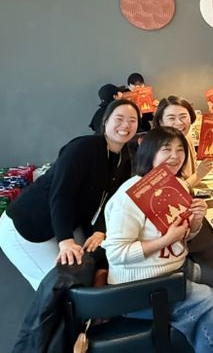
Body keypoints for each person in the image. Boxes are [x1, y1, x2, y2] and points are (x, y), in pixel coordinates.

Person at [102, 127, 213, 352]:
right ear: (149, 152)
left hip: (176, 269)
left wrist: (196, 221)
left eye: (180, 150)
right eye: (166, 149)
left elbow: (183, 237)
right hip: (141, 285)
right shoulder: (129, 195)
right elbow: (116, 253)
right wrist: (165, 240)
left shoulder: (175, 184)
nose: (175, 156)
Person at [0, 99, 140, 289]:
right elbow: (61, 194)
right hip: (27, 226)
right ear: (106, 121)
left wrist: (99, 231)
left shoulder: (125, 159)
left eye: (132, 120)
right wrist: (65, 241)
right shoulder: (84, 147)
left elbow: (111, 201)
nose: (125, 125)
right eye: (119, 118)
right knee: (61, 287)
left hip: (65, 223)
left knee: (86, 271)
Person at [152, 96, 213, 272]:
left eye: (183, 117)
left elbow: (189, 171)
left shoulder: (184, 138)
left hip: (191, 202)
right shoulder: (157, 148)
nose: (179, 122)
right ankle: (209, 271)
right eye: (171, 118)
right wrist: (199, 174)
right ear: (160, 121)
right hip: (173, 219)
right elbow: (169, 193)